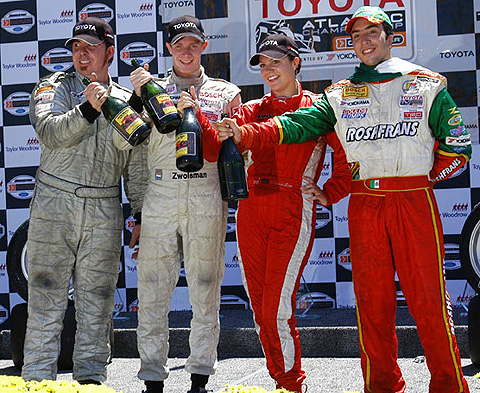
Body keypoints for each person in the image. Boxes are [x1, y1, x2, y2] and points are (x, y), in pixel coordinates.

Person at [217, 6, 472, 393]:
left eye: (372, 33)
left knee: (429, 302)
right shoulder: (339, 94)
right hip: (365, 203)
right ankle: (383, 385)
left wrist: (424, 179)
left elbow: (458, 147)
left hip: (412, 200)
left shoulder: (426, 84)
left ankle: (449, 386)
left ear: (390, 36)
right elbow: (297, 123)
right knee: (371, 305)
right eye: (356, 36)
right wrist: (248, 135)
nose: (364, 41)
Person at [182, 34, 350, 392]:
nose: (269, 70)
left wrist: (330, 191)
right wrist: (198, 116)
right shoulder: (251, 109)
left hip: (291, 208)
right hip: (251, 211)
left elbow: (348, 158)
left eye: (276, 62)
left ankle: (291, 385)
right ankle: (282, 381)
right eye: (263, 64)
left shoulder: (319, 108)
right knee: (261, 312)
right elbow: (213, 151)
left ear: (295, 62)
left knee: (276, 309)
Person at [22, 17, 148, 384]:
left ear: (109, 53)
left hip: (105, 207)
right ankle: (36, 382)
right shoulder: (54, 87)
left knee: (98, 300)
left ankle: (91, 382)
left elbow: (136, 166)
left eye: (89, 47)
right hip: (54, 202)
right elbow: (49, 131)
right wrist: (88, 108)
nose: (81, 54)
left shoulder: (127, 102)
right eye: (76, 47)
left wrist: (139, 213)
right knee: (45, 294)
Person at [127, 15, 241, 393]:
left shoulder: (226, 93)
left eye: (194, 44)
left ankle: (199, 377)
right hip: (160, 194)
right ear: (168, 49)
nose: (186, 51)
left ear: (204, 46)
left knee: (205, 288)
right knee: (153, 290)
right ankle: (152, 378)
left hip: (206, 195)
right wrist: (139, 212)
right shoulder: (151, 90)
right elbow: (133, 152)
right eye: (179, 45)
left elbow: (238, 152)